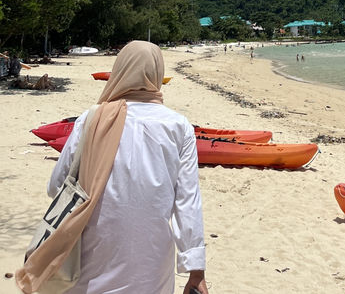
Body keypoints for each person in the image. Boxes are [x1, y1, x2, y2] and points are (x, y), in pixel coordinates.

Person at [17, 41, 209, 294]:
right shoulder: (178, 126)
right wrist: (196, 271)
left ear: (120, 70)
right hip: (150, 265)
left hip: (90, 255)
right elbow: (187, 202)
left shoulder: (92, 118)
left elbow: (57, 187)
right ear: (158, 75)